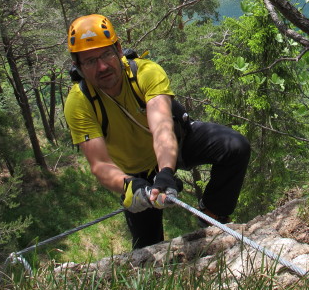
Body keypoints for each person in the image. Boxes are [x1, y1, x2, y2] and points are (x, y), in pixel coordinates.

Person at [64, 14, 251, 249]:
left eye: (106, 54)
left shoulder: (145, 73)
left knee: (234, 147)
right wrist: (129, 187)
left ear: (119, 49)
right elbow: (100, 164)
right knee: (147, 249)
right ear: (78, 67)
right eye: (90, 61)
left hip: (178, 142)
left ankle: (212, 215)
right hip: (134, 174)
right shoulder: (79, 102)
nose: (102, 67)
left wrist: (165, 172)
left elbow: (162, 126)